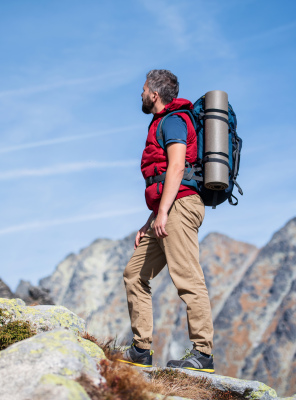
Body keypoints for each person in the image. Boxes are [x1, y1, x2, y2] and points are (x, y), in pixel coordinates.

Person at [118, 69, 215, 373]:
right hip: (167, 208)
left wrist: (162, 213)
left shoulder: (173, 120)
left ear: (154, 94)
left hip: (180, 208)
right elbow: (164, 177)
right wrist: (151, 220)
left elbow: (176, 168)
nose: (142, 94)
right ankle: (141, 349)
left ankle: (203, 353)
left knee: (187, 277)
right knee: (134, 274)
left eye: (144, 89)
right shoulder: (162, 121)